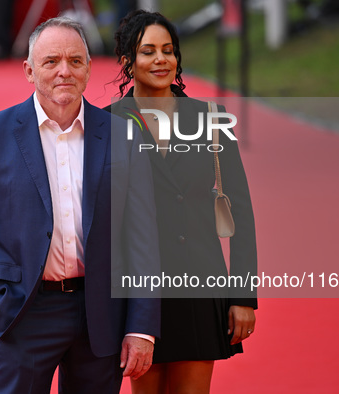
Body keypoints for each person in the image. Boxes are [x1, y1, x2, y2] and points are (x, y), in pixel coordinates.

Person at [0, 16, 160, 394]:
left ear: (89, 69)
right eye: (51, 62)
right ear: (29, 71)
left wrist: (141, 325)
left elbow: (144, 235)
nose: (65, 71)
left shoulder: (123, 134)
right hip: (23, 311)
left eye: (75, 61)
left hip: (101, 313)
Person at [104, 10, 258, 394]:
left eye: (169, 51)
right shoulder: (106, 125)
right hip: (139, 292)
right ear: (127, 61)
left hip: (200, 284)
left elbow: (240, 210)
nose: (161, 59)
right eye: (148, 51)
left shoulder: (211, 119)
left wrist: (243, 296)